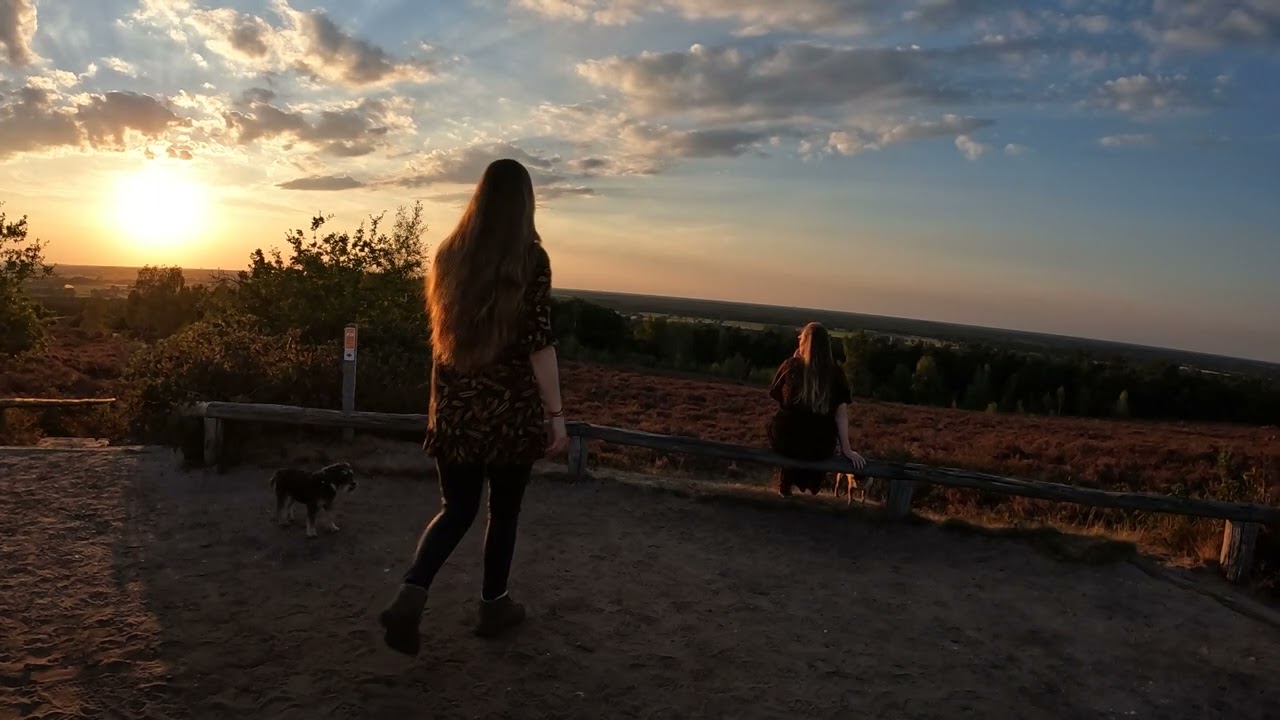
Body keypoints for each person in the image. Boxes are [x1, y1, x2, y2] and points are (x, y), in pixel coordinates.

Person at [378, 158, 568, 656]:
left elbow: (440, 344)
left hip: (457, 411)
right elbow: (539, 344)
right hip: (510, 414)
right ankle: (493, 605)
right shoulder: (531, 259)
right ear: (525, 204)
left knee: (457, 509)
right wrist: (556, 416)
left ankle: (410, 595)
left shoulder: (446, 256)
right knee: (503, 513)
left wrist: (438, 410)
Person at [766, 322, 866, 497]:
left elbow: (780, 399)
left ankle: (786, 481)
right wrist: (847, 450)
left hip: (786, 441)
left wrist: (793, 361)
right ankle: (807, 482)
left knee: (779, 426)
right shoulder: (836, 374)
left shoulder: (791, 367)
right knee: (809, 437)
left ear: (804, 342)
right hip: (820, 447)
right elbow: (840, 417)